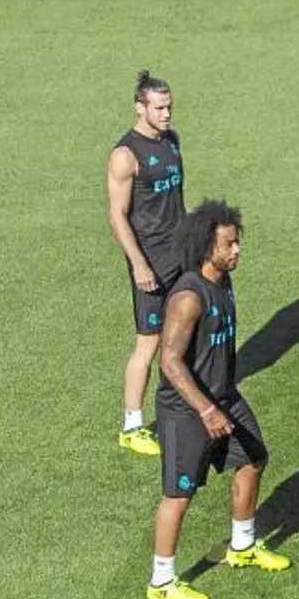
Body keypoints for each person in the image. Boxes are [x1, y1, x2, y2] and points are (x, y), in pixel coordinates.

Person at [147, 200, 292, 599]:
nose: (237, 250)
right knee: (179, 493)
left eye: (237, 242)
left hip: (224, 397)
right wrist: (205, 410)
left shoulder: (223, 283)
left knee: (253, 457)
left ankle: (242, 545)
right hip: (186, 409)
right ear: (205, 246)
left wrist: (219, 402)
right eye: (229, 244)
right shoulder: (189, 297)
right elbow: (170, 362)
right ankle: (161, 581)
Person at [105, 71, 187, 456]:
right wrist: (139, 264)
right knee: (148, 343)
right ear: (140, 108)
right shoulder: (125, 155)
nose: (167, 113)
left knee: (187, 329)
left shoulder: (172, 141)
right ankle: (132, 425)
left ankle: (182, 401)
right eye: (160, 107)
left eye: (169, 106)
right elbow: (117, 216)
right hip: (151, 261)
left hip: (182, 255)